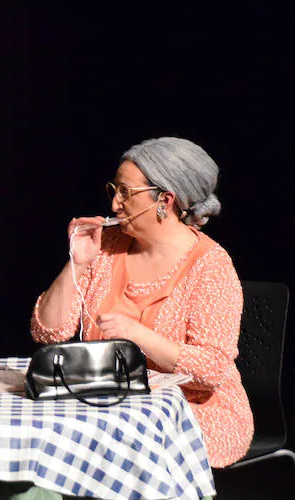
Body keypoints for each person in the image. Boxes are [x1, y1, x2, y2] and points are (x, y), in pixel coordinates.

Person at [31, 136, 252, 467]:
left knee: (110, 438)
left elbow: (211, 371)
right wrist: (76, 262)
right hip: (110, 401)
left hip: (192, 409)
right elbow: (47, 332)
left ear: (165, 199)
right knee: (47, 425)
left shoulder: (211, 265)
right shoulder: (106, 248)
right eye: (114, 190)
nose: (115, 205)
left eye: (126, 193)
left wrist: (139, 336)